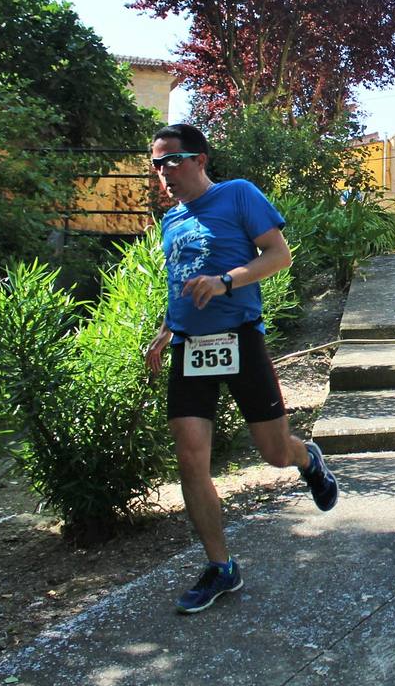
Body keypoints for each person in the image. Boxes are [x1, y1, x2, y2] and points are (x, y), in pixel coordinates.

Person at [143, 123, 338, 615]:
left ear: (200, 159)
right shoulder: (171, 222)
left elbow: (279, 255)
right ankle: (221, 568)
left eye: (171, 160)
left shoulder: (237, 195)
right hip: (190, 346)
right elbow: (181, 282)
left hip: (240, 340)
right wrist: (167, 330)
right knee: (190, 459)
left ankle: (307, 459)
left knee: (274, 452)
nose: (163, 172)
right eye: (155, 163)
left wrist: (227, 281)